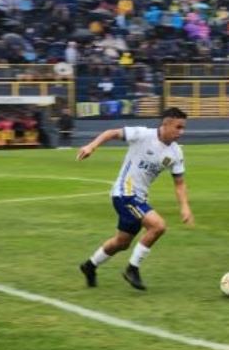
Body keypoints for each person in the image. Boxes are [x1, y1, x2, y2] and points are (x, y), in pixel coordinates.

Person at [76, 108, 194, 290]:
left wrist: (185, 207)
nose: (181, 132)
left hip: (139, 197)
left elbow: (179, 183)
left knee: (122, 242)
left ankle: (90, 266)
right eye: (178, 127)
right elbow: (111, 133)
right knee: (158, 226)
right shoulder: (142, 134)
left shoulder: (176, 153)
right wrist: (92, 146)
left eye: (183, 127)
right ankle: (132, 269)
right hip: (125, 193)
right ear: (166, 124)